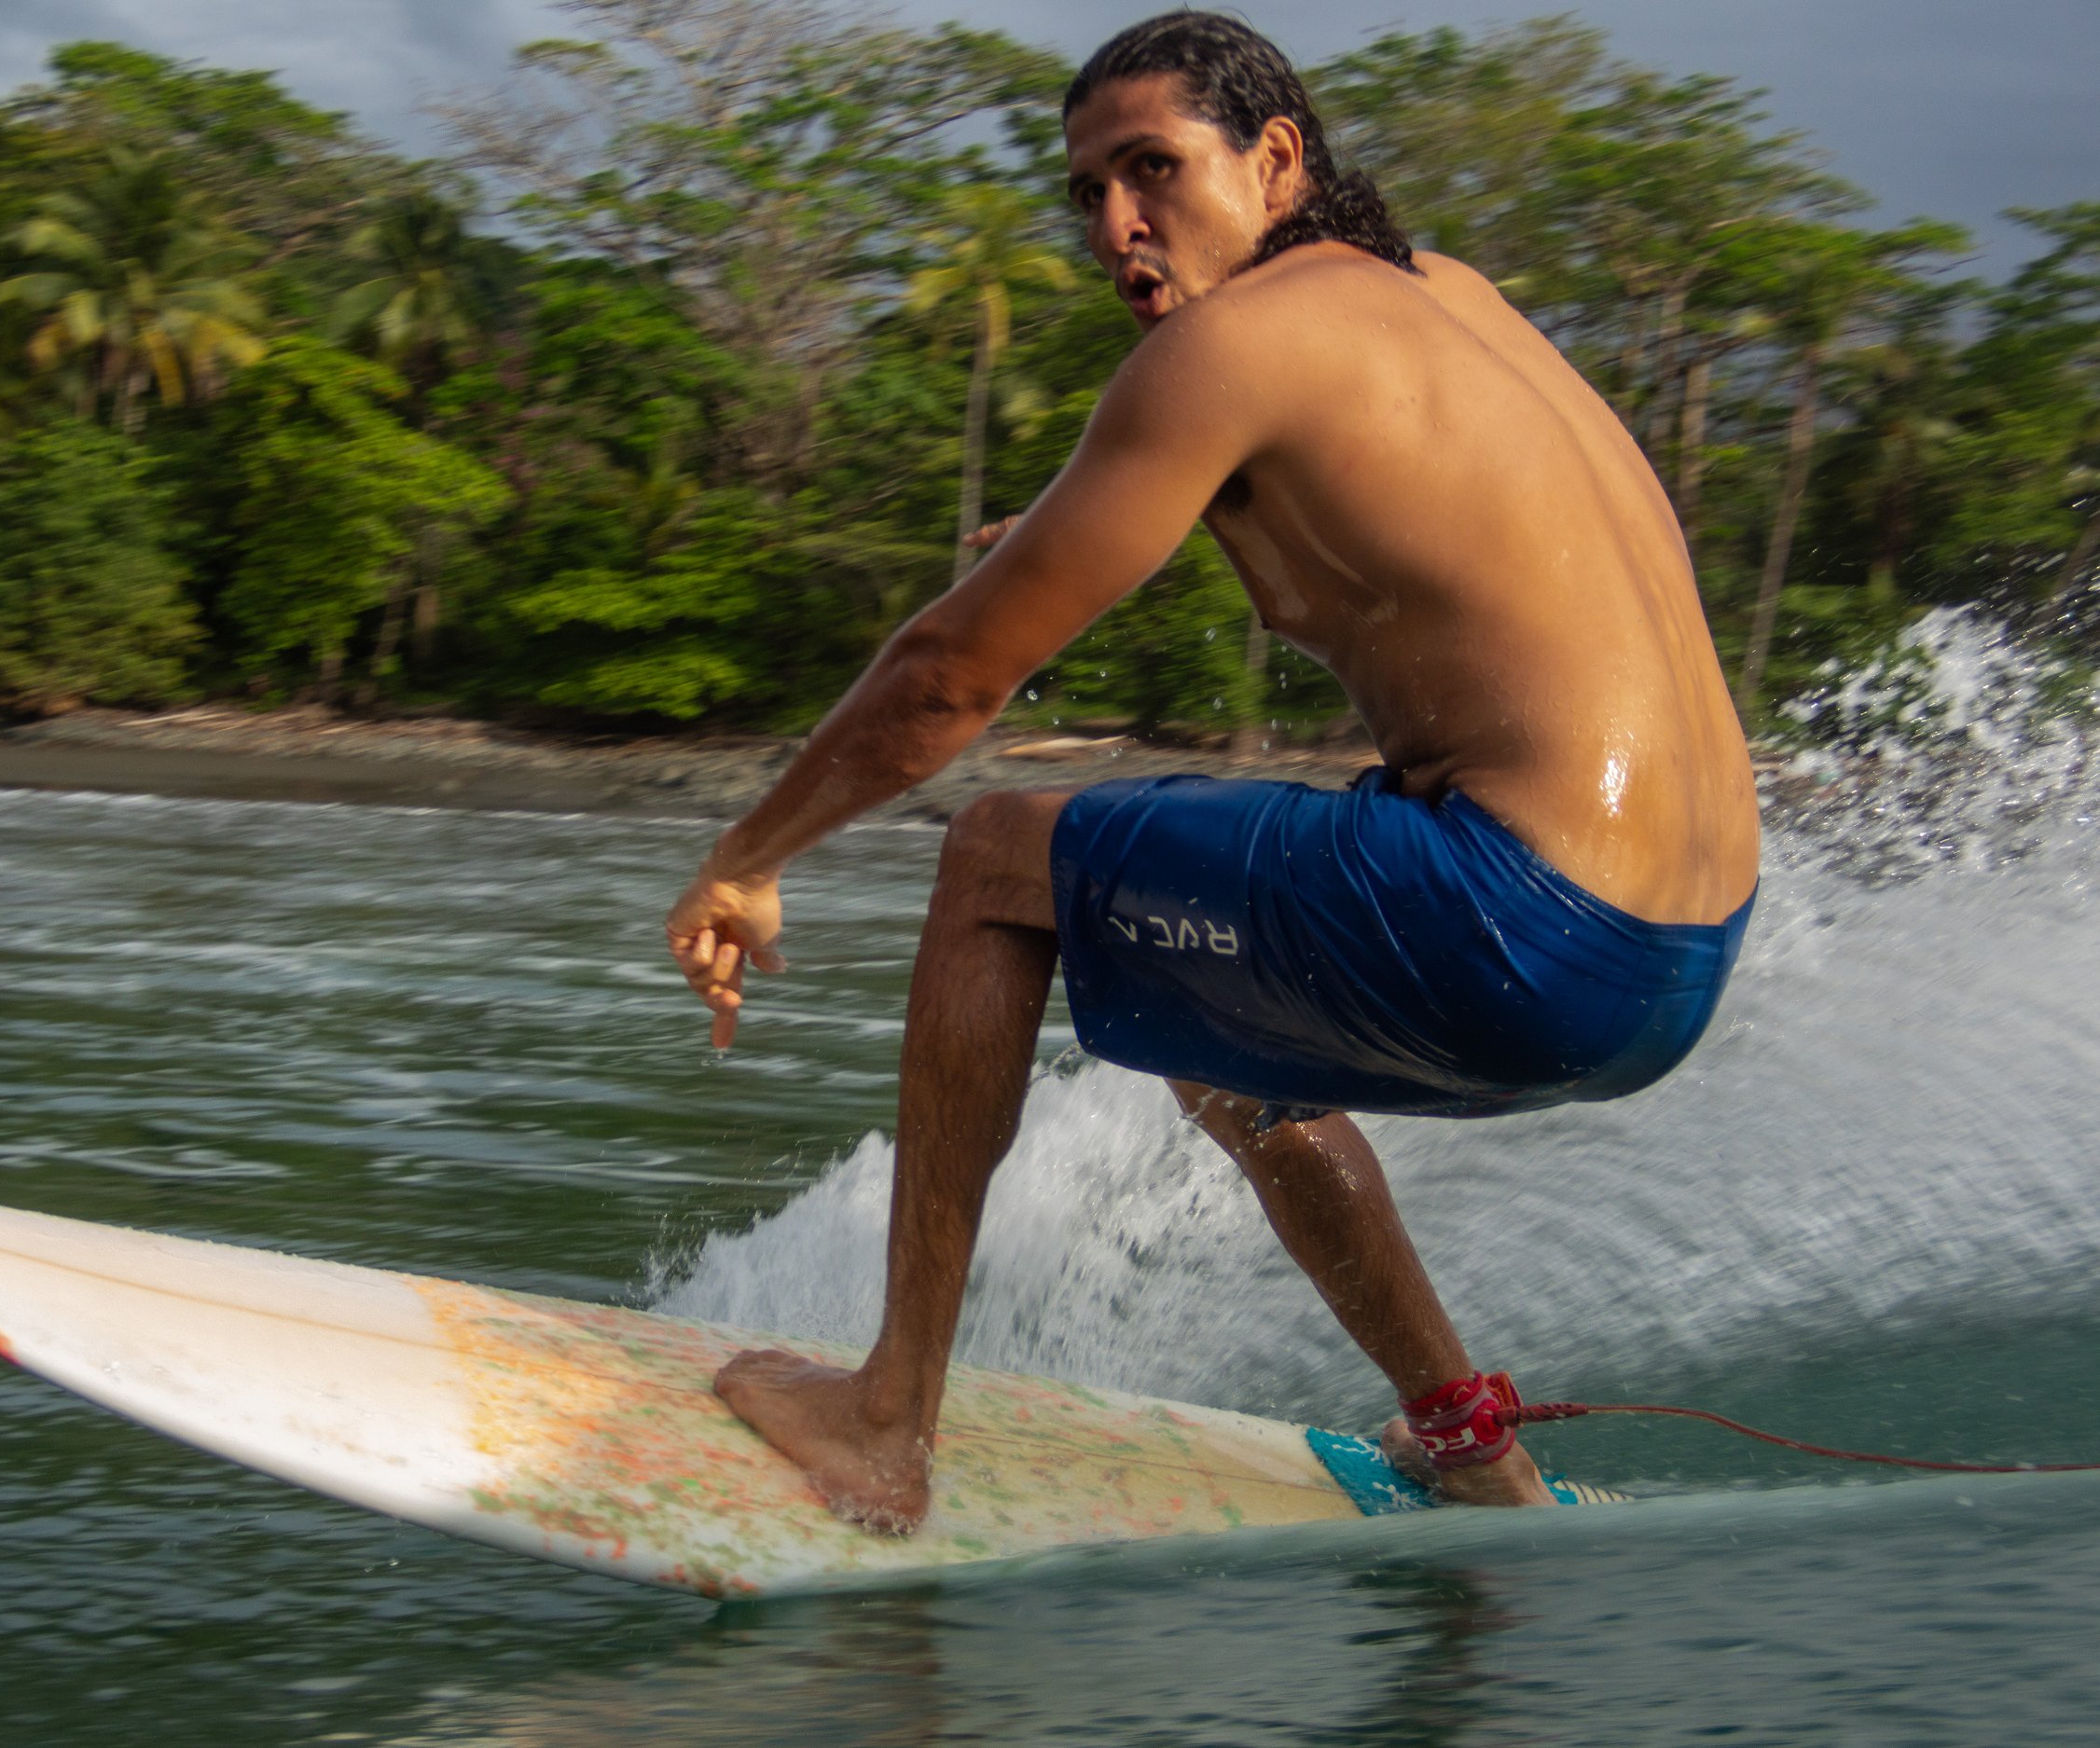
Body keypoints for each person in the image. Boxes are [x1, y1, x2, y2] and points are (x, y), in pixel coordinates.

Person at [663, 11, 1760, 1527]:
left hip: (1525, 923)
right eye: (1088, 191)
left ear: (1277, 159)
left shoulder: (1227, 348)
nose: (1118, 223)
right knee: (1197, 994)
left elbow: (945, 678)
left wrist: (749, 855)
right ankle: (1472, 1449)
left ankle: (882, 1417)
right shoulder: (1449, 302)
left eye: (1152, 169)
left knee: (997, 859)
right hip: (1685, 958)